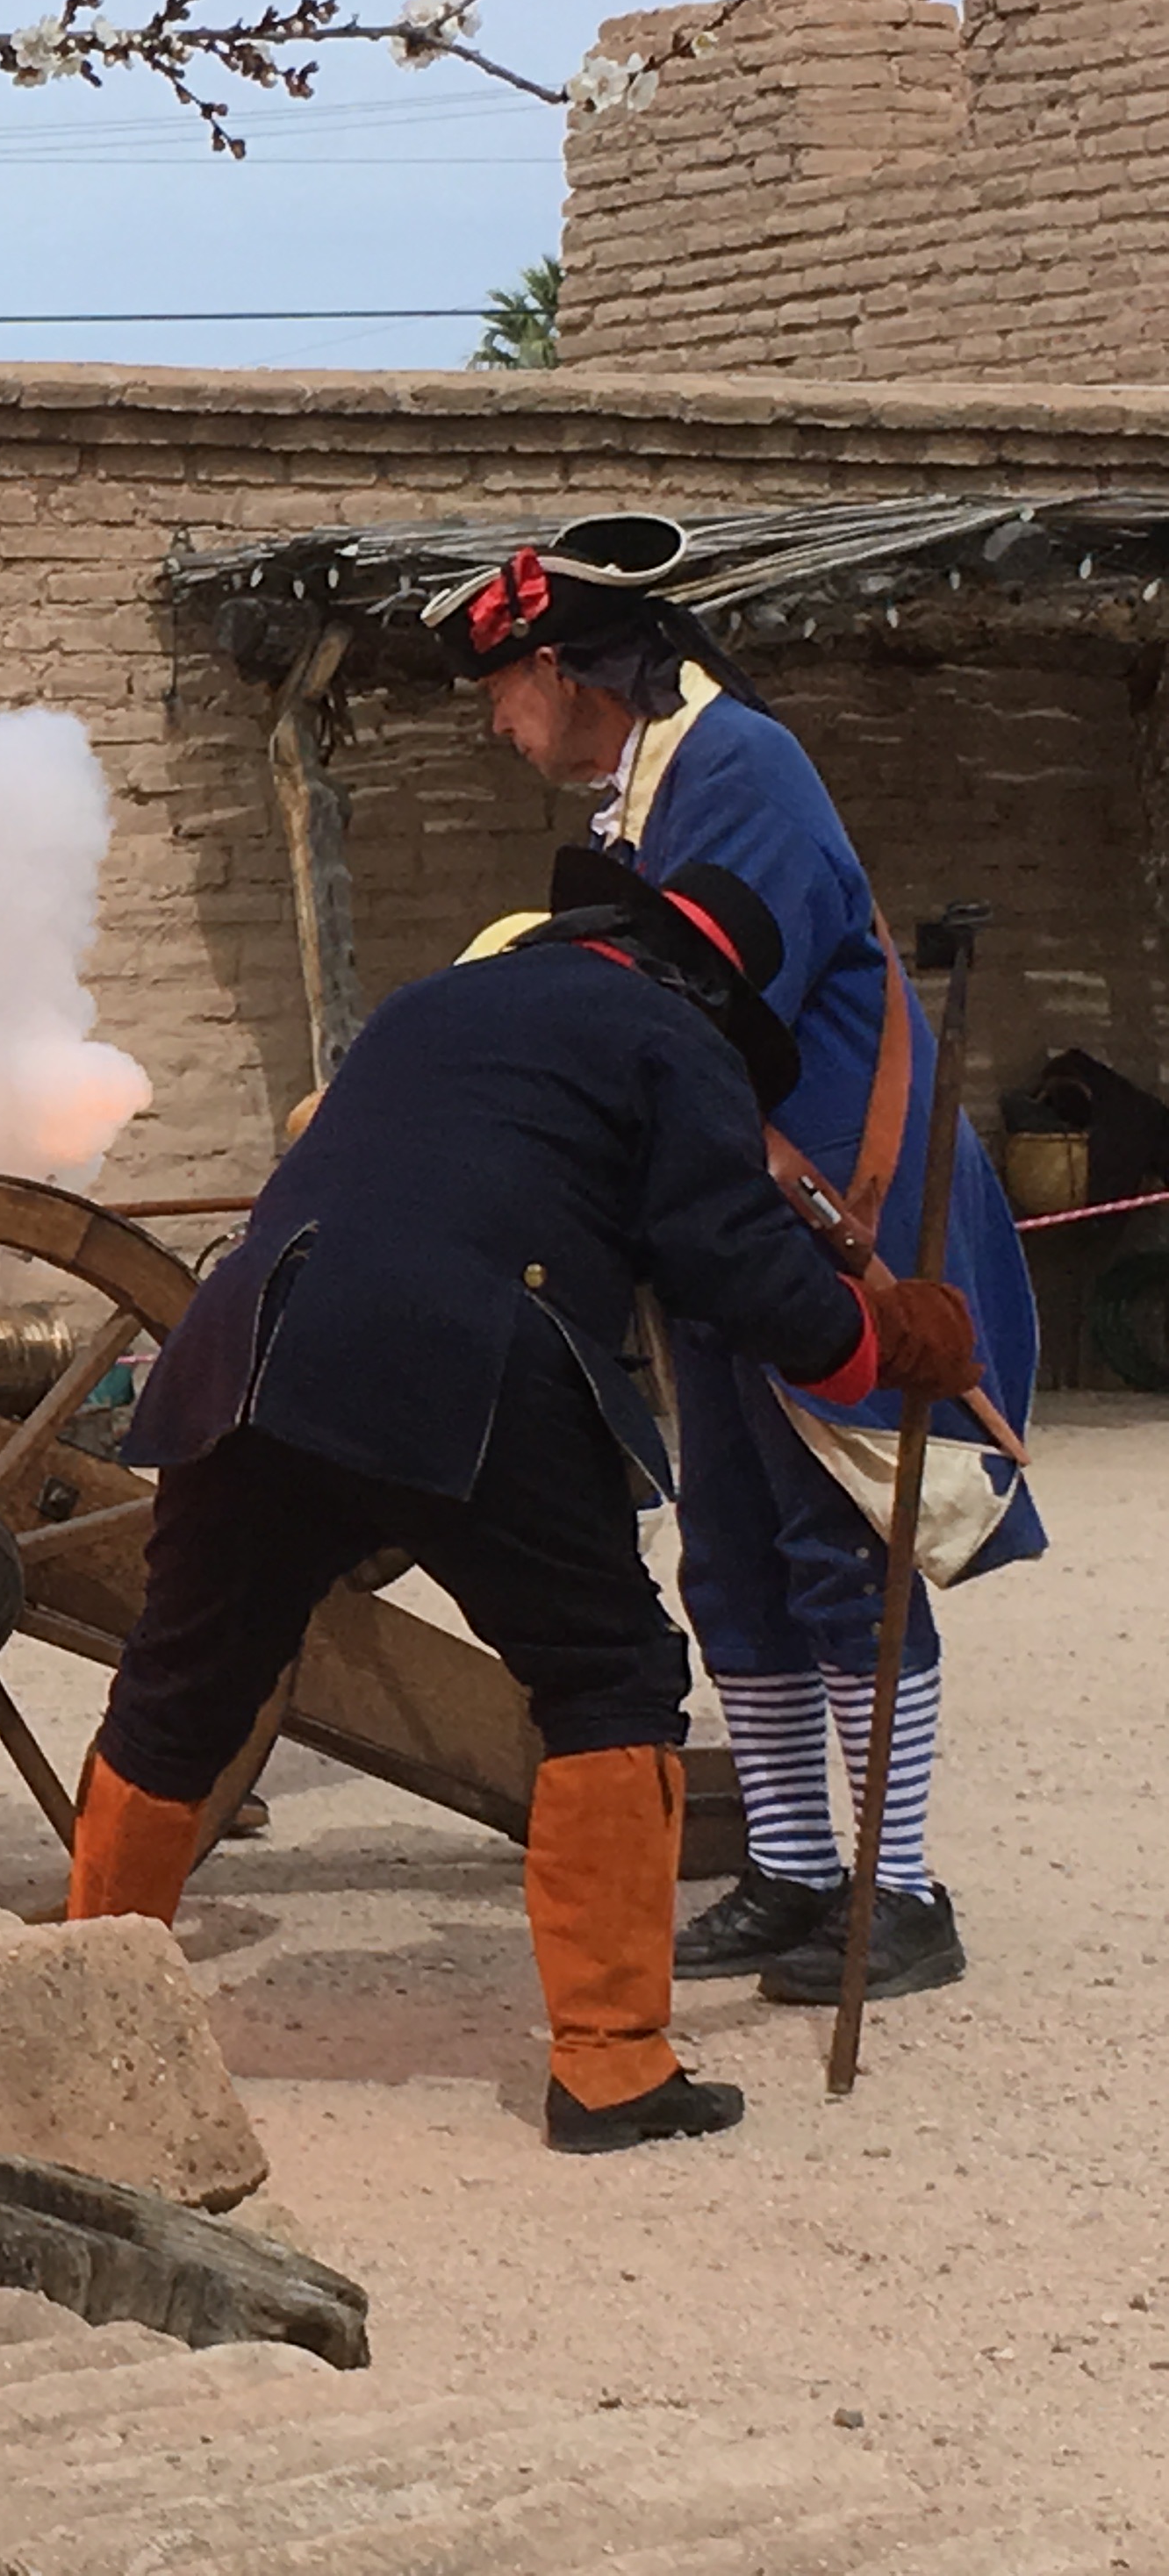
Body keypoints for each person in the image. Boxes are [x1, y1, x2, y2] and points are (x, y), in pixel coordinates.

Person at [61, 850, 982, 2153]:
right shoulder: (676, 1041)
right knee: (609, 1672)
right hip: (468, 1350)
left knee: (184, 1682)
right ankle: (612, 2069)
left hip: (254, 1341)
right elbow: (726, 1258)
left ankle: (92, 2002)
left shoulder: (435, 1003)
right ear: (712, 992)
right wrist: (879, 1342)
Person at [427, 518, 1041, 2004]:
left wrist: (517, 995)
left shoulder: (739, 763)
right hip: (715, 1204)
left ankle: (899, 1889)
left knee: (840, 1542)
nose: (501, 725)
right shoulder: (648, 793)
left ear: (569, 670)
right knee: (730, 1557)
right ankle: (790, 1864)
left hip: (834, 1200)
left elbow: (692, 972)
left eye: (505, 691)